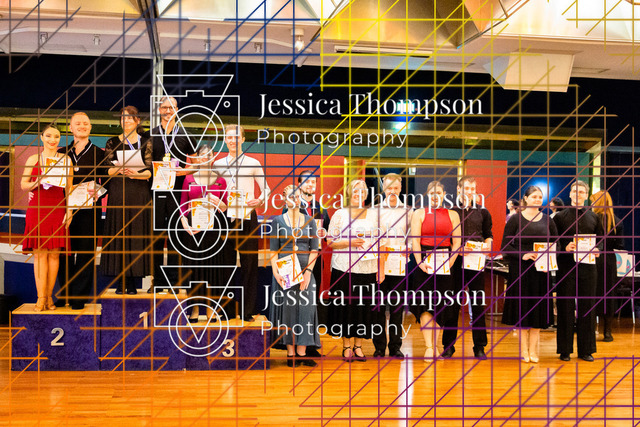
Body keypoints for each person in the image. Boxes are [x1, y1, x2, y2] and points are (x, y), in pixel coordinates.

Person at [214, 124, 271, 323]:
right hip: (225, 217)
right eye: (229, 137)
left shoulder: (253, 162)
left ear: (243, 139)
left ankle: (247, 310)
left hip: (247, 216)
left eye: (236, 137)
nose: (233, 140)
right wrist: (217, 201)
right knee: (225, 266)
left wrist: (259, 200)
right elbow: (212, 190)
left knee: (249, 266)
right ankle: (227, 310)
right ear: (225, 140)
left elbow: (266, 189)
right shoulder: (218, 164)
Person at [326, 179, 383, 362]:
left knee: (363, 309)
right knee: (346, 308)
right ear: (350, 193)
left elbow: (381, 241)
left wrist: (380, 267)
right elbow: (330, 241)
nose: (359, 194)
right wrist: (349, 242)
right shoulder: (340, 214)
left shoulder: (374, 215)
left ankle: (358, 346)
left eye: (362, 191)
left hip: (368, 268)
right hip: (344, 268)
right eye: (356, 191)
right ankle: (346, 346)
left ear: (366, 194)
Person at [501, 185, 558, 363]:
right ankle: (523, 350)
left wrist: (551, 259)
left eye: (540, 197)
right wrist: (523, 255)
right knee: (522, 310)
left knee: (538, 312)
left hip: (541, 272)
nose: (537, 199)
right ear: (525, 199)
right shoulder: (515, 219)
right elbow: (505, 246)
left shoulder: (548, 220)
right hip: (520, 271)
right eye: (534, 196)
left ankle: (533, 350)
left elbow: (556, 244)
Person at [56, 112, 106, 310]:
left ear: (90, 127)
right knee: (64, 253)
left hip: (89, 211)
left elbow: (108, 183)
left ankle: (79, 297)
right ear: (70, 128)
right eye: (78, 123)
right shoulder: (61, 153)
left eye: (85, 123)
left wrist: (98, 193)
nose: (82, 126)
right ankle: (65, 294)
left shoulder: (100, 154)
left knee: (85, 254)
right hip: (64, 210)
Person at [178, 143, 234, 322]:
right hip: (193, 232)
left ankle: (211, 309)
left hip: (213, 232)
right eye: (202, 155)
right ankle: (194, 309)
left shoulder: (220, 180)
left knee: (212, 271)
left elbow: (226, 207)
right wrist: (184, 223)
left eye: (209, 155)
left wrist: (220, 203)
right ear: (197, 158)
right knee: (194, 271)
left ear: (213, 158)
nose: (205, 158)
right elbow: (182, 206)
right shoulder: (189, 179)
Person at [147, 96, 196, 293]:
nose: (168, 110)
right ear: (159, 110)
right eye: (165, 107)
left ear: (177, 110)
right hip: (155, 193)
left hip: (178, 194)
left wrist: (183, 172)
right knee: (156, 238)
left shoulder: (186, 135)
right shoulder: (150, 135)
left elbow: (196, 165)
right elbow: (144, 164)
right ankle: (157, 281)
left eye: (172, 107)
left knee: (177, 238)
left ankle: (175, 282)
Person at [21, 124, 72, 311]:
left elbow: (69, 188)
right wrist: (38, 181)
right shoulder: (33, 159)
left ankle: (49, 296)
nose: (52, 140)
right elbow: (23, 185)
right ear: (42, 137)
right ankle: (40, 298)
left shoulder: (66, 160)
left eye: (56, 136)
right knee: (40, 255)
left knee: (54, 255)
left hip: (58, 209)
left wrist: (69, 211)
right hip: (37, 209)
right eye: (49, 136)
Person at [101, 106, 153, 294]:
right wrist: (119, 169)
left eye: (130, 118)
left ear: (137, 121)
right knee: (119, 235)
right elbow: (106, 170)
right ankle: (121, 280)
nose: (126, 121)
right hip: (119, 192)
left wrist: (136, 174)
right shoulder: (112, 142)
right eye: (123, 118)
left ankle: (132, 282)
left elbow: (150, 171)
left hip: (139, 193)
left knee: (136, 236)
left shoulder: (146, 142)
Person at [442, 176, 493, 359]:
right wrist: (456, 249)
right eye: (467, 188)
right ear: (459, 189)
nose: (470, 191)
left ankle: (479, 346)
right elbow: (445, 238)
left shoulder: (483, 212)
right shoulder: (450, 211)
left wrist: (488, 245)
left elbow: (488, 234)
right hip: (456, 262)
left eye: (473, 188)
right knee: (452, 304)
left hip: (476, 261)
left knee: (478, 303)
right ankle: (448, 346)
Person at [553, 180, 604, 362]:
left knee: (587, 308)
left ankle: (586, 350)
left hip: (588, 268)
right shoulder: (559, 217)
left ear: (586, 195)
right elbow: (553, 241)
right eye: (575, 191)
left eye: (581, 192)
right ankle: (565, 350)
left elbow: (601, 240)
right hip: (566, 267)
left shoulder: (594, 217)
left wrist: (598, 249)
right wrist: (564, 247)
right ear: (570, 194)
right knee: (565, 308)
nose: (578, 194)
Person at [269, 185, 320, 367]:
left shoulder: (310, 221)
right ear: (284, 199)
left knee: (306, 311)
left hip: (306, 271)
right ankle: (291, 353)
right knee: (288, 312)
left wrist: (308, 272)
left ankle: (302, 353)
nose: (294, 200)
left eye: (297, 196)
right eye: (291, 196)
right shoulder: (277, 221)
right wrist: (275, 272)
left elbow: (315, 249)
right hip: (285, 272)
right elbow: (273, 250)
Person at [282, 169, 330, 358]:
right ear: (299, 184)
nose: (310, 185)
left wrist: (325, 234)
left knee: (309, 305)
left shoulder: (321, 208)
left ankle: (308, 346)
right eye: (306, 181)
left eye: (313, 182)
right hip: (292, 261)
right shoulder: (290, 205)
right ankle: (292, 348)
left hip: (313, 260)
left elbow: (326, 234)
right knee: (291, 304)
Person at [410, 181, 460, 360]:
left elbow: (457, 242)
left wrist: (450, 261)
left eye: (438, 193)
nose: (435, 196)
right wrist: (419, 262)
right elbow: (415, 240)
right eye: (432, 193)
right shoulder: (419, 213)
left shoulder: (453, 214)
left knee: (440, 306)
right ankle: (429, 347)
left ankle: (437, 345)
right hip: (424, 263)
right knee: (425, 305)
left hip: (445, 263)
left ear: (444, 194)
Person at [373, 173, 412, 358]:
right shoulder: (375, 210)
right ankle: (379, 346)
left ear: (400, 188)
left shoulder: (408, 211)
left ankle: (395, 346)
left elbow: (413, 235)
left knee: (397, 307)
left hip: (399, 264)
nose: (393, 191)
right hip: (379, 264)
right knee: (379, 307)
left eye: (396, 188)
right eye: (389, 188)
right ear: (384, 189)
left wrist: (410, 247)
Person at [590, 190, 624, 342]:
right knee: (609, 295)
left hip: (593, 259)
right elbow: (620, 245)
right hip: (609, 261)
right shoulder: (617, 221)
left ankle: (590, 331)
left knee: (591, 294)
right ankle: (608, 332)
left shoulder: (591, 219)